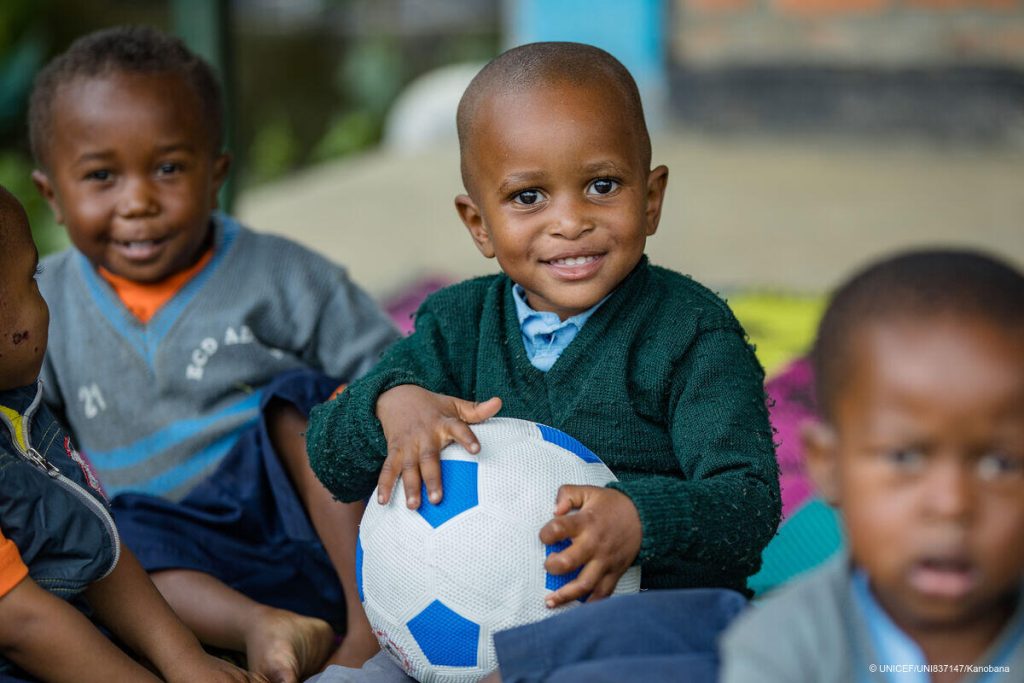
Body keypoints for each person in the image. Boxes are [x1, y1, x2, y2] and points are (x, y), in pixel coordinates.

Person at [305, 42, 780, 681]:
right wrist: (391, 405)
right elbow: (330, 456)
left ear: (651, 198)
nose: (570, 221)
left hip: (639, 633)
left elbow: (747, 505)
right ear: (479, 225)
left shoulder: (691, 332)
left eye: (602, 186)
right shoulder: (457, 324)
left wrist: (642, 520)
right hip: (450, 640)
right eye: (529, 197)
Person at [27, 26, 398, 683]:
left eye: (168, 168)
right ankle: (263, 628)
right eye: (101, 176)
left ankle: (370, 628)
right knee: (103, 533)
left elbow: (392, 371)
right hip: (180, 567)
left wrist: (367, 404)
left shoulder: (280, 272)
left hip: (314, 529)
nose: (138, 200)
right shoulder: (42, 305)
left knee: (301, 399)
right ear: (53, 195)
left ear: (216, 174)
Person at [720, 249, 1024, 683]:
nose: (952, 504)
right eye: (905, 457)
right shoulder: (781, 647)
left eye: (1000, 463)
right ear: (828, 466)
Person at [0, 185, 263, 683]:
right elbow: (21, 622)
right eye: (32, 279)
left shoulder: (18, 414)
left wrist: (185, 661)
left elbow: (91, 544)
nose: (44, 299)